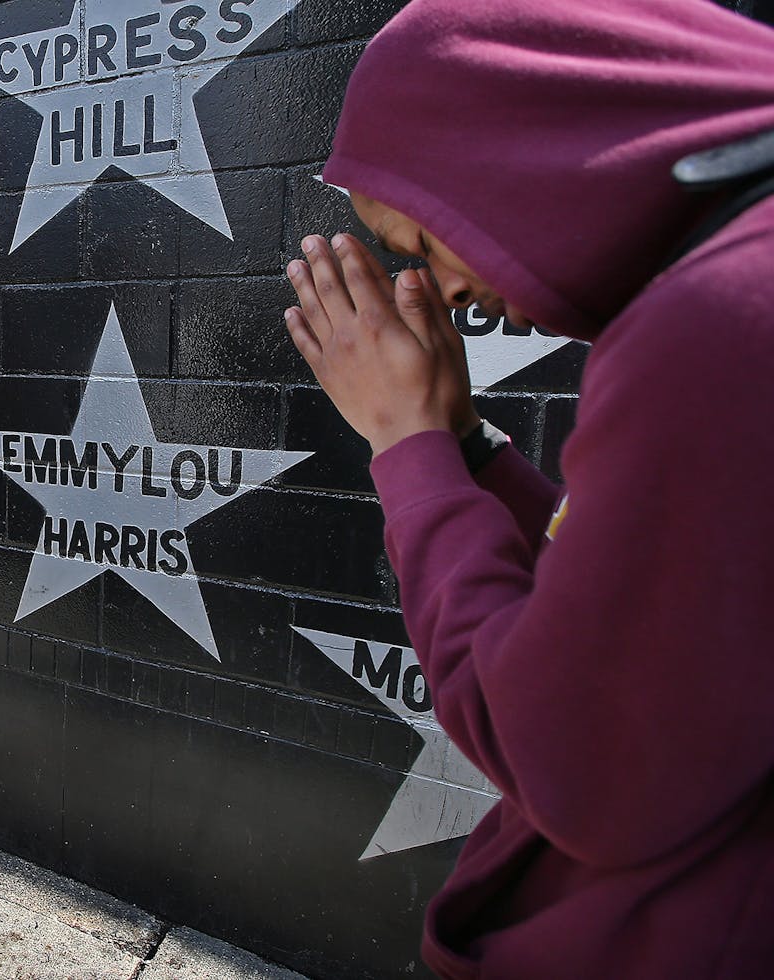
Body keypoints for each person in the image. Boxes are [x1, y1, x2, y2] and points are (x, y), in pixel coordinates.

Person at [283, 0, 774, 976]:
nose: (443, 293)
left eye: (416, 241)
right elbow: (631, 606)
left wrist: (405, 439)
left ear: (501, 146)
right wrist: (462, 443)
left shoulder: (715, 318)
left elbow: (573, 760)